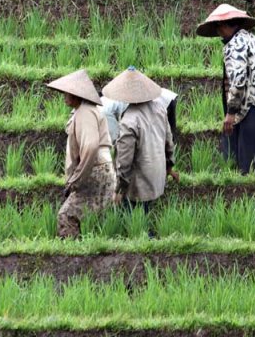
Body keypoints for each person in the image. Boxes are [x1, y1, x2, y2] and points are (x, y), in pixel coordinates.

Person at [196, 3, 255, 174]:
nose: (218, 33)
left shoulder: (235, 45)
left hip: (254, 105)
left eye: (218, 28)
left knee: (250, 163)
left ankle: (250, 194)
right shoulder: (253, 40)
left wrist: (230, 113)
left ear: (223, 26)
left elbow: (238, 80)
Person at [45, 69, 116, 239]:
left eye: (67, 93)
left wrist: (76, 179)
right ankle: (85, 253)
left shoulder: (85, 112)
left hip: (95, 171)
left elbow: (90, 147)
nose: (64, 96)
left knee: (66, 215)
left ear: (77, 95)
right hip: (100, 170)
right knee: (93, 218)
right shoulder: (83, 111)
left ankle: (72, 256)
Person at [102, 67, 177, 214]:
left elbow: (124, 160)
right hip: (156, 175)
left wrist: (119, 189)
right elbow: (169, 142)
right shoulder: (159, 109)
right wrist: (169, 166)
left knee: (133, 221)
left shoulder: (129, 120)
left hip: (138, 183)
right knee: (146, 214)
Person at [101, 66, 180, 144]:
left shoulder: (103, 110)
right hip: (166, 97)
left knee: (161, 135)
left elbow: (114, 135)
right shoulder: (103, 104)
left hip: (163, 101)